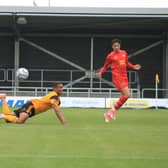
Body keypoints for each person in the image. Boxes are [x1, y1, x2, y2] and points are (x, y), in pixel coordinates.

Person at [96, 39, 141, 122]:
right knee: (127, 95)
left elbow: (126, 63)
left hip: (124, 77)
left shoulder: (124, 53)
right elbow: (105, 66)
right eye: (115, 46)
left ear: (120, 46)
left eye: (118, 45)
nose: (116, 47)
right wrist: (100, 72)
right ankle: (112, 111)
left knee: (124, 96)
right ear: (112, 47)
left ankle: (109, 113)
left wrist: (133, 66)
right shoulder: (110, 56)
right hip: (117, 77)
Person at [0, 83, 66, 124]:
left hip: (32, 107)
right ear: (55, 88)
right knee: (20, 121)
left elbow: (57, 109)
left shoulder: (57, 98)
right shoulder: (54, 96)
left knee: (8, 118)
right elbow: (57, 110)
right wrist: (63, 122)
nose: (61, 89)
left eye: (62, 87)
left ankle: (3, 99)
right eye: (60, 87)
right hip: (32, 106)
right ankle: (2, 116)